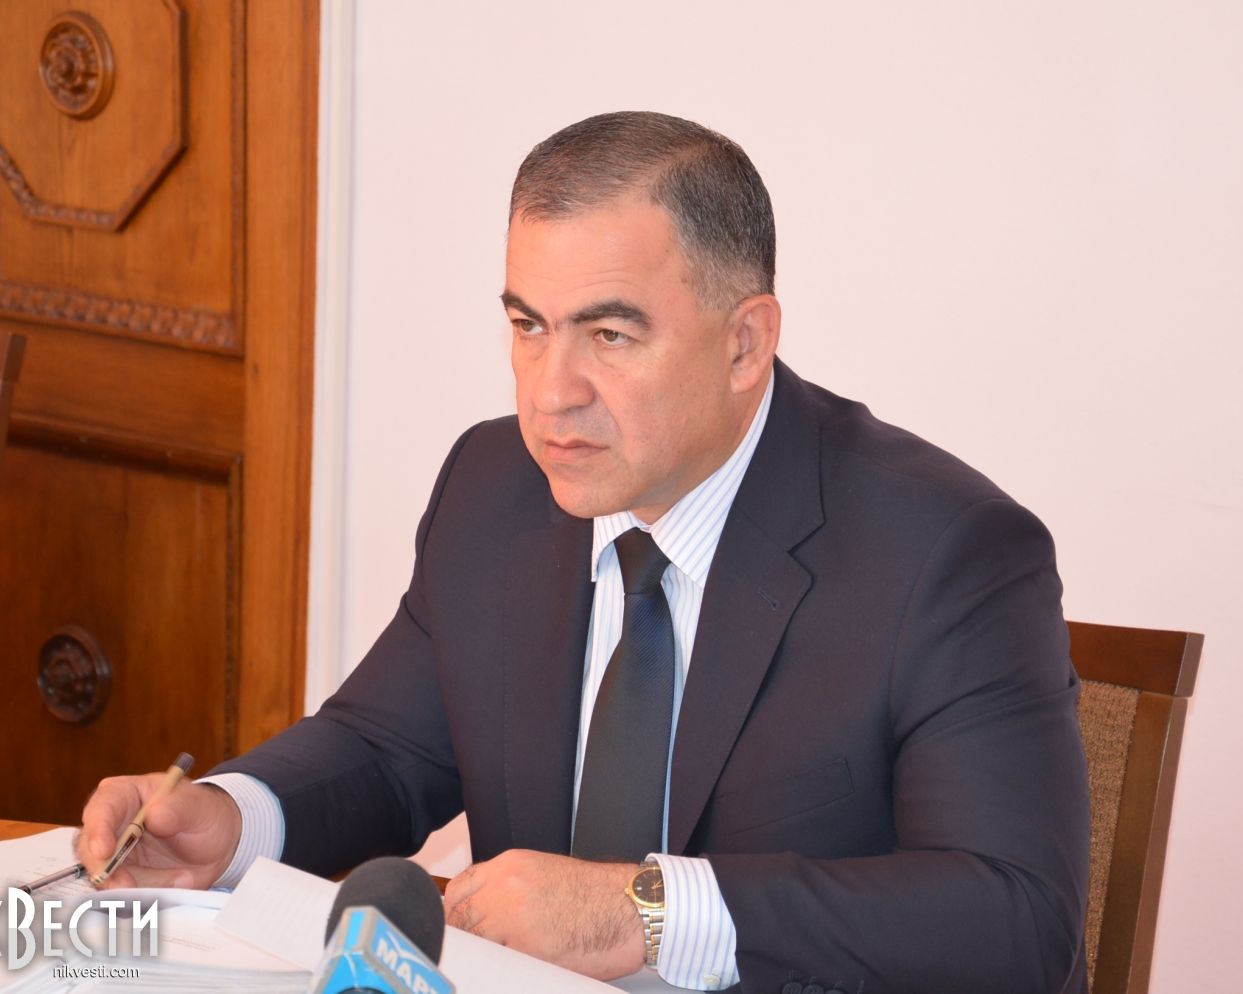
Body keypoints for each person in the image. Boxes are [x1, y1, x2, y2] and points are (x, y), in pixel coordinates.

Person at [78, 111, 1090, 994]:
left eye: (608, 336)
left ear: (745, 343)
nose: (549, 393)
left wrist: (645, 910)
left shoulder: (945, 554)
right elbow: (388, 750)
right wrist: (231, 816)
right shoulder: (495, 485)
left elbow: (1014, 918)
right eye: (528, 325)